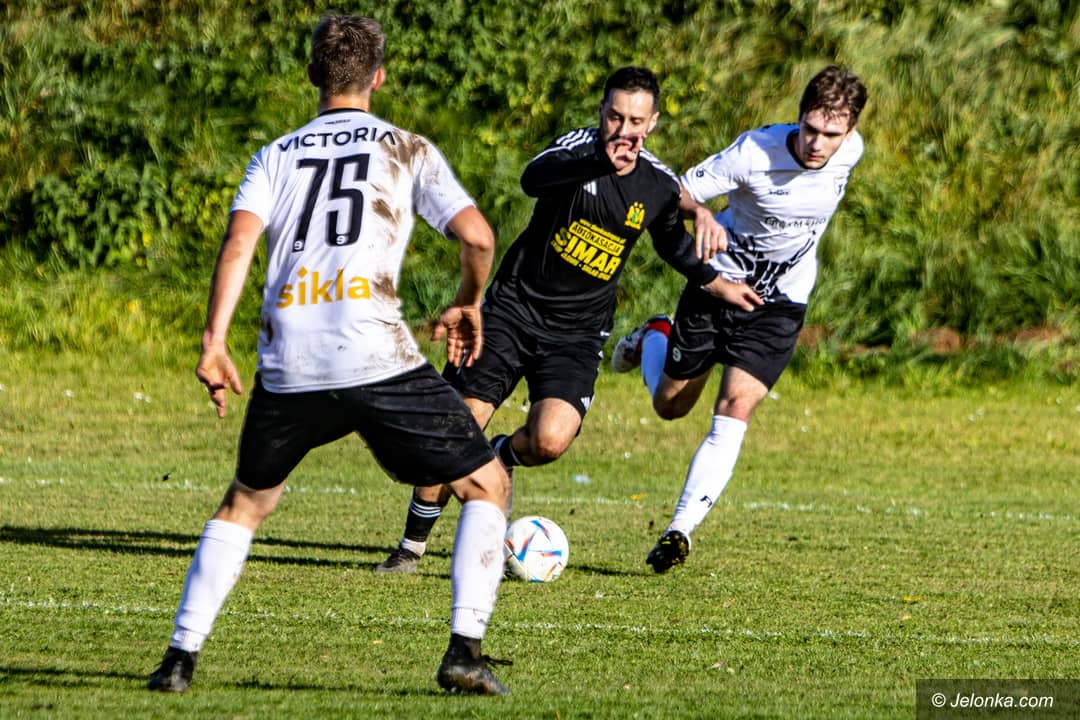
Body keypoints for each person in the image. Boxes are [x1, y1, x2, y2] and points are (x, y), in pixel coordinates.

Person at [147, 14, 513, 696]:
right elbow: (479, 237)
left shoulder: (275, 155)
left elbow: (238, 244)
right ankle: (464, 652)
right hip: (376, 354)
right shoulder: (406, 148)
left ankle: (178, 660)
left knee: (245, 504)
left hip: (291, 359)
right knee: (486, 484)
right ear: (379, 77)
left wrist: (214, 342)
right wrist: (468, 301)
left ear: (314, 74)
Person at [374, 66, 722, 574]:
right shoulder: (577, 149)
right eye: (615, 117)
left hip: (577, 335)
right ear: (601, 112)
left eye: (635, 122)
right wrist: (597, 162)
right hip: (512, 312)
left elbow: (672, 240)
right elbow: (532, 179)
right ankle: (411, 547)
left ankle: (500, 457)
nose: (624, 130)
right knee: (458, 426)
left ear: (652, 123)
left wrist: (717, 279)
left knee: (551, 439)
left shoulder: (658, 183)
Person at [611, 65, 868, 573]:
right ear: (799, 117)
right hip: (717, 287)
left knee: (735, 406)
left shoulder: (851, 152)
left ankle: (679, 531)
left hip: (780, 302)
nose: (817, 144)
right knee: (670, 405)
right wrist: (701, 213)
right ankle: (656, 333)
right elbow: (673, 190)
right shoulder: (754, 152)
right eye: (810, 129)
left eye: (831, 134)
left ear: (851, 132)